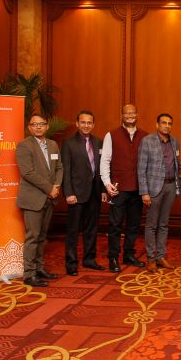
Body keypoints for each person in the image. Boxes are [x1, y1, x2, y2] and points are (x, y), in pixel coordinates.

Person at [16, 114, 63, 287]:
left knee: (42, 237)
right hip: (33, 199)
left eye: (41, 124)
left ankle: (39, 268)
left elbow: (59, 167)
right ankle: (29, 274)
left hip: (50, 198)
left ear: (47, 126)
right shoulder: (24, 146)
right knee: (33, 237)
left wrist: (56, 185)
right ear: (29, 127)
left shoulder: (52, 145)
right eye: (34, 124)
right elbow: (27, 173)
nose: (38, 127)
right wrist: (49, 188)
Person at [101, 104, 148, 273]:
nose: (130, 115)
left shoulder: (145, 136)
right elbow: (105, 161)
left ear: (137, 114)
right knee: (115, 225)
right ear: (122, 115)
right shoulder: (111, 135)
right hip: (117, 189)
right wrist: (107, 184)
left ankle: (129, 254)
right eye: (127, 113)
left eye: (132, 113)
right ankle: (113, 257)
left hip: (138, 188)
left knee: (134, 224)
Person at [61, 110, 108, 276]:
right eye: (83, 122)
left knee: (91, 229)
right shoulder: (68, 143)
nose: (86, 125)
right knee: (73, 231)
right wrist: (68, 193)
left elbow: (103, 169)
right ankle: (71, 263)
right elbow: (65, 170)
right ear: (77, 123)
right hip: (76, 194)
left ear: (93, 125)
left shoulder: (99, 142)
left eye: (89, 123)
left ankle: (89, 260)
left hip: (95, 193)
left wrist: (103, 190)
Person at [138, 113, 180, 272]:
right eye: (164, 123)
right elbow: (141, 169)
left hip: (170, 187)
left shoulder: (175, 142)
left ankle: (161, 256)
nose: (167, 126)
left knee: (164, 224)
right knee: (151, 225)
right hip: (154, 188)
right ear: (157, 125)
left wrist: (177, 187)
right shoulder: (147, 141)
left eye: (170, 123)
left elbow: (176, 164)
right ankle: (150, 259)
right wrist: (144, 192)